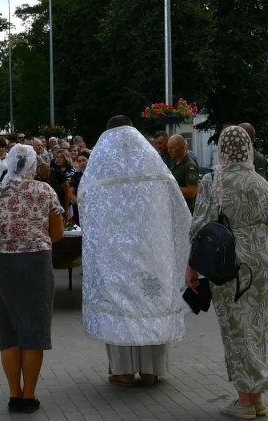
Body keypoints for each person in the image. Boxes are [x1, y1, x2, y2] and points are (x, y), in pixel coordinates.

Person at [80, 115, 192, 388]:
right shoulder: (152, 163)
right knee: (150, 301)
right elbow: (177, 204)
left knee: (120, 306)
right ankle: (153, 370)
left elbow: (84, 202)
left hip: (114, 255)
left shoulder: (99, 166)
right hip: (152, 253)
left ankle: (124, 371)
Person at [187, 126, 268, 419]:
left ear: (223, 149)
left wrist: (191, 267)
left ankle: (244, 401)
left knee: (236, 330)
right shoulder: (261, 182)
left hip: (229, 264)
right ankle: (257, 397)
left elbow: (200, 226)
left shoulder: (213, 180)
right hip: (261, 263)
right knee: (259, 328)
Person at [0, 144, 65, 413]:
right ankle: (29, 396)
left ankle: (13, 395)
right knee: (34, 330)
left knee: (8, 332)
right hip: (35, 264)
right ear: (32, 165)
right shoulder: (44, 190)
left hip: (1, 265)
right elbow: (57, 233)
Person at [166, 134, 200, 213]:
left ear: (182, 147)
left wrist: (171, 187)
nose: (169, 151)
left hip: (186, 210)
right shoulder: (173, 162)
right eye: (168, 148)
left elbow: (191, 192)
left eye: (172, 148)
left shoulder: (189, 166)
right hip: (175, 208)